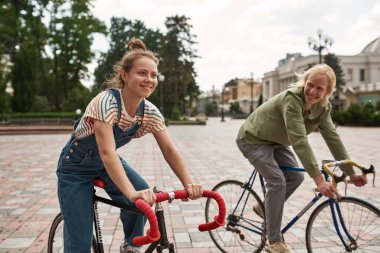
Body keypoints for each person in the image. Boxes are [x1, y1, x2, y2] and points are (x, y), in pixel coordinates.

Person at [56, 37, 203, 253]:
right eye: (142, 73)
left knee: (143, 201)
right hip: (75, 168)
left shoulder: (150, 112)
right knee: (79, 244)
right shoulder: (106, 102)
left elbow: (170, 150)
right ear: (125, 76)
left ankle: (131, 246)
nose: (149, 80)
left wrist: (189, 183)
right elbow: (107, 153)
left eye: (153, 75)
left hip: (107, 164)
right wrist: (131, 194)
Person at [236, 64, 367, 253]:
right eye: (310, 84)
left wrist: (351, 173)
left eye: (319, 88)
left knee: (296, 176)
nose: (312, 91)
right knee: (277, 181)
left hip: (276, 141)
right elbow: (299, 140)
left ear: (328, 92)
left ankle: (263, 207)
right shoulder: (292, 99)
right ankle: (274, 241)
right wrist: (320, 181)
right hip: (252, 138)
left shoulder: (323, 107)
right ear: (305, 82)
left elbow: (332, 138)